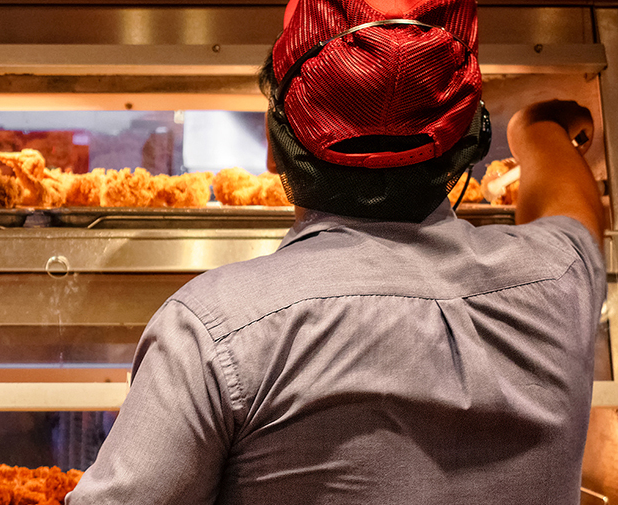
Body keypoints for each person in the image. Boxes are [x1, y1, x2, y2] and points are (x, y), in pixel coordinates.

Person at [66, 0, 606, 503]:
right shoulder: (561, 282)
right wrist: (538, 128)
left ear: (275, 147)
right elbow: (573, 206)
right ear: (471, 139)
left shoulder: (213, 333)